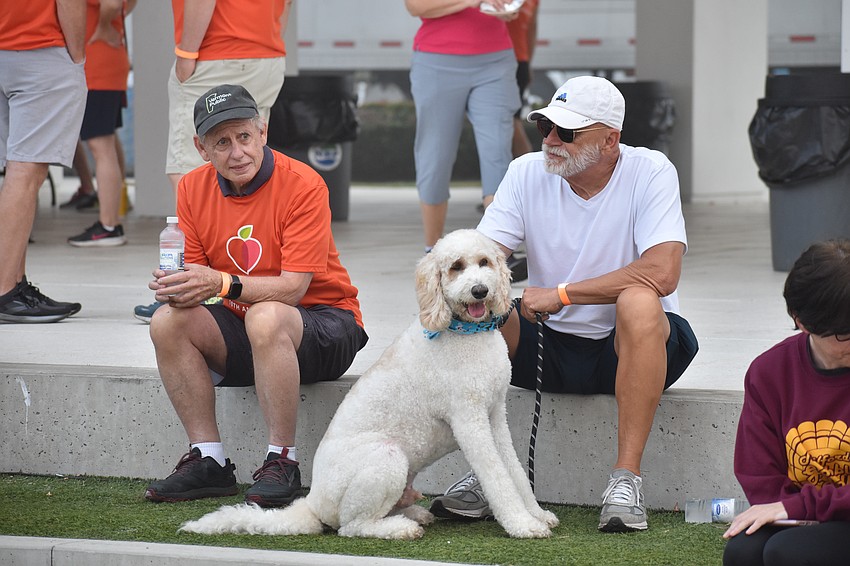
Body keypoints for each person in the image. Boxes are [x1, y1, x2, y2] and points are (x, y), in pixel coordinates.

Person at [428, 76, 699, 533]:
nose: (551, 140)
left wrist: (563, 294)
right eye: (545, 126)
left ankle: (626, 480)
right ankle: (491, 473)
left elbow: (662, 272)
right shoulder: (526, 172)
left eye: (567, 132)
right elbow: (479, 258)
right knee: (478, 302)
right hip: (548, 344)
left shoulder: (651, 170)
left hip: (631, 347)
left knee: (639, 300)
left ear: (610, 139)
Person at [143, 84, 368, 508]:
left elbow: (293, 288)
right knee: (166, 321)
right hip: (250, 326)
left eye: (244, 136)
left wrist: (220, 283)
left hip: (325, 324)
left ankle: (283, 460)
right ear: (201, 148)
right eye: (221, 142)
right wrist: (178, 287)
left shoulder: (304, 184)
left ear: (262, 132)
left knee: (266, 315)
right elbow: (200, 279)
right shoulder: (191, 188)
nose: (237, 152)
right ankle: (208, 459)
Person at [134, 0, 291, 322]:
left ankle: (193, 287)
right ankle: (247, 282)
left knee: (191, 174)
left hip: (218, 51)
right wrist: (267, 39)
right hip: (268, 53)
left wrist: (186, 54)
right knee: (249, 164)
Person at [722, 240, 850, 565]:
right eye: (845, 333)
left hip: (824, 511)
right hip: (803, 513)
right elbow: (760, 478)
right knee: (743, 552)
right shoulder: (769, 373)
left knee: (788, 552)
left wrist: (800, 507)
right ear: (801, 321)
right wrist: (795, 510)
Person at [404, 0, 520, 254]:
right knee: (435, 156)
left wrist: (505, 8)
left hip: (496, 59)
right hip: (436, 60)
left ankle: (496, 251)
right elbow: (416, 6)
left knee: (497, 152)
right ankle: (433, 251)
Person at [0, 0, 87, 323]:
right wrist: (76, 57)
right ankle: (6, 291)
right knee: (25, 172)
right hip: (39, 47)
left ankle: (15, 284)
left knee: (16, 171)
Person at [67, 0, 135, 247]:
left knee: (100, 145)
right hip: (107, 63)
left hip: (97, 66)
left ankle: (109, 225)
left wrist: (104, 26)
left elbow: (114, 2)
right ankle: (112, 216)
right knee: (107, 141)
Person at [506, 0, 539, 158]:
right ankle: (526, 164)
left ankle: (528, 165)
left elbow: (532, 29)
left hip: (507, 61)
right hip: (520, 61)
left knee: (510, 121)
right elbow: (532, 30)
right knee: (511, 121)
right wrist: (528, 63)